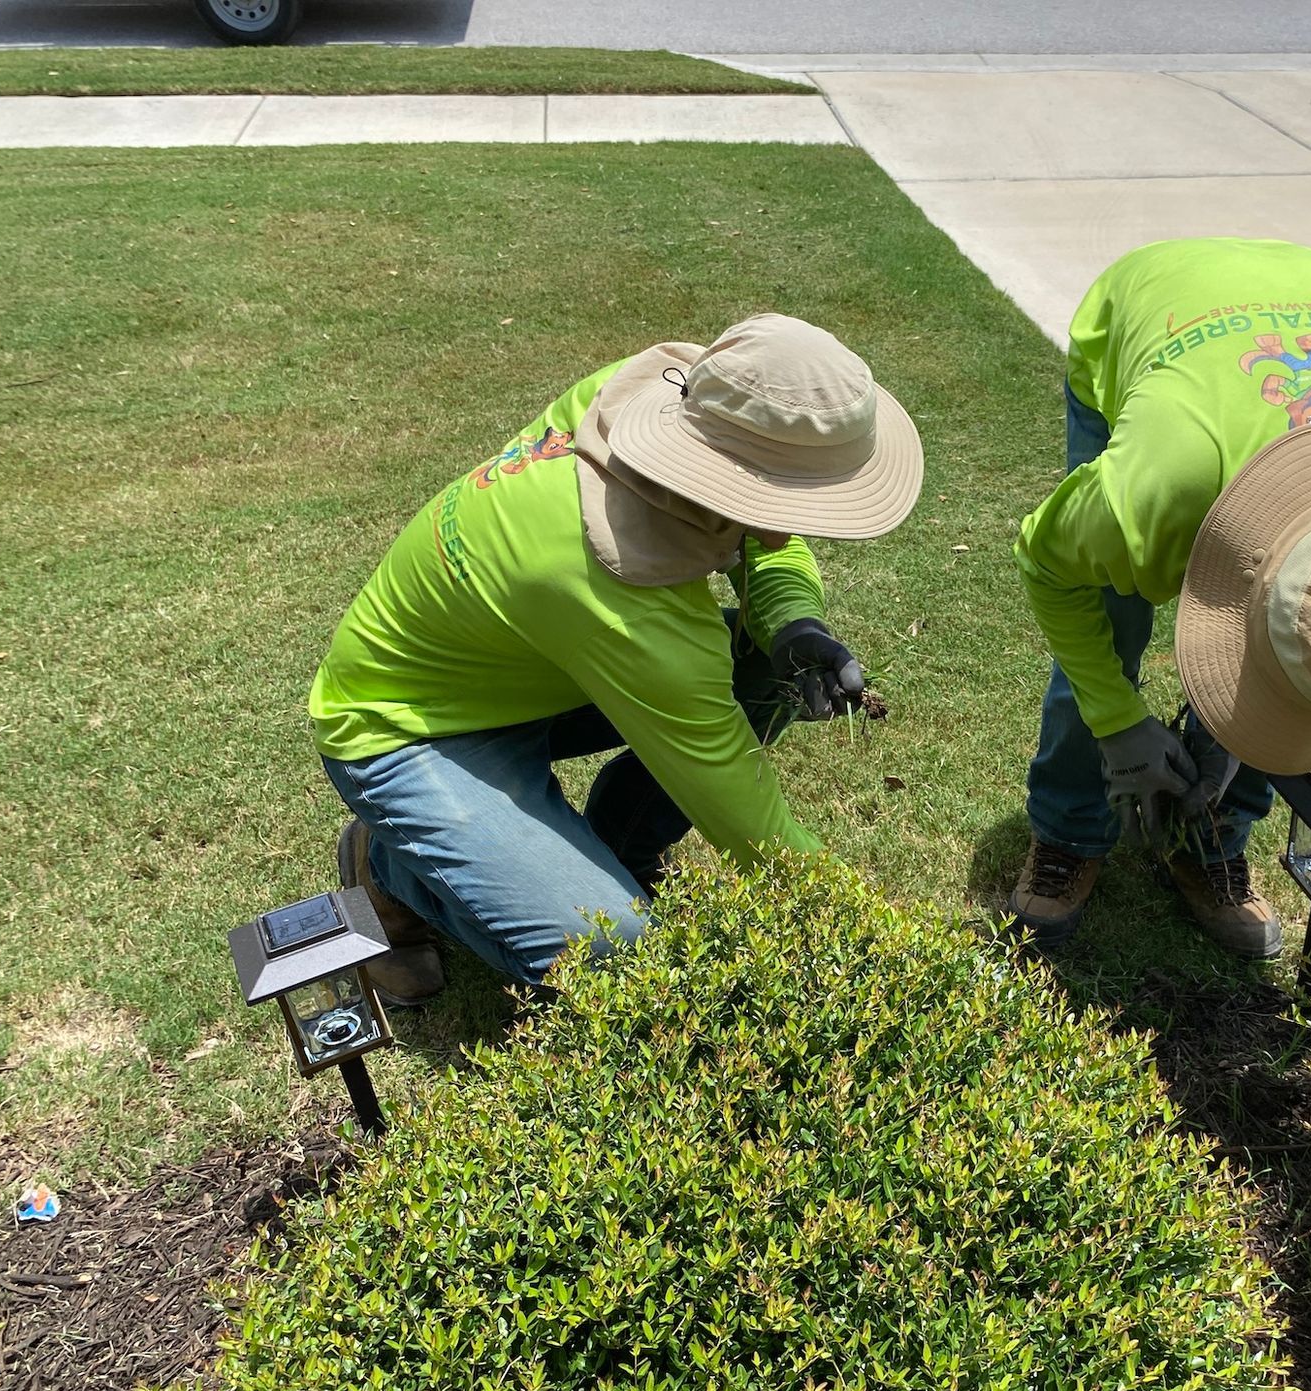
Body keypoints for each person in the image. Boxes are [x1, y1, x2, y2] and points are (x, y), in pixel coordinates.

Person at [310, 314, 923, 1002]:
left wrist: (791, 621)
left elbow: (759, 533)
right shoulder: (625, 607)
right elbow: (750, 821)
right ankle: (390, 871)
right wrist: (885, 950)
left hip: (520, 666)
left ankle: (619, 849)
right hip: (402, 728)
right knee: (611, 955)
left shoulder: (650, 401)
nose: (803, 522)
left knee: (763, 668)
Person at [1007, 238, 1311, 956]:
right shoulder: (1150, 491)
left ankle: (1212, 842)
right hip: (1157, 306)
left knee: (1299, 665)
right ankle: (1070, 828)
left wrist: (1242, 731)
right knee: (1113, 611)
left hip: (1308, 280)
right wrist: (1116, 722)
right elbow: (1048, 564)